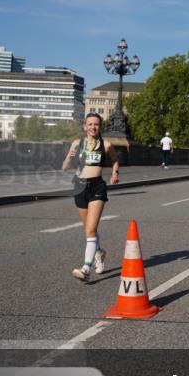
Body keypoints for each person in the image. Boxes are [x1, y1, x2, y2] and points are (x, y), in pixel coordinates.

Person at [62, 113, 120, 282]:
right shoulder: (77, 143)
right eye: (90, 124)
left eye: (96, 124)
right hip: (79, 187)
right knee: (89, 230)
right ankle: (99, 253)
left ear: (99, 126)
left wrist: (115, 173)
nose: (93, 127)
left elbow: (115, 161)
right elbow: (64, 168)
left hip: (97, 187)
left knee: (91, 229)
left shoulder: (106, 145)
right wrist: (68, 158)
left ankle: (86, 269)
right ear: (85, 126)